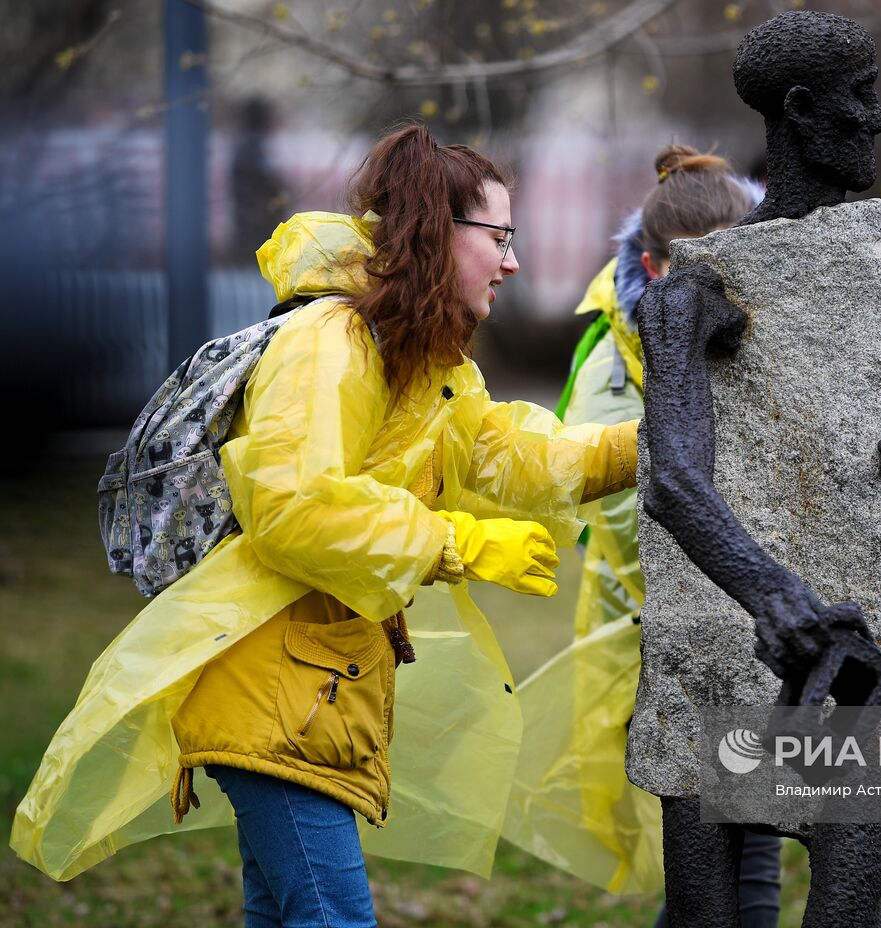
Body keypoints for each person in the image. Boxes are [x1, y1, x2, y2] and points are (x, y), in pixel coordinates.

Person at [11, 122, 639, 926]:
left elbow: (514, 454)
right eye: (501, 237)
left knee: (281, 913)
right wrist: (459, 542)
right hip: (271, 688)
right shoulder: (332, 341)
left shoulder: (423, 360)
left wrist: (653, 445)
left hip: (307, 686)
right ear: (434, 233)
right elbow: (294, 504)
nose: (513, 261)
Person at [504, 145, 783, 925]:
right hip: (662, 639)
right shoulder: (614, 365)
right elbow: (627, 512)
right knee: (725, 862)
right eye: (712, 271)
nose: (736, 291)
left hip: (762, 632)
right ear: (657, 270)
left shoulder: (785, 312)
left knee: (735, 860)